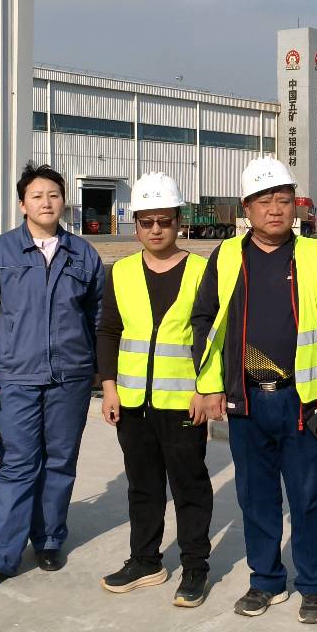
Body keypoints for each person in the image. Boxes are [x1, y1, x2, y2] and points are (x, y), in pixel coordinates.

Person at [190, 157, 317, 624]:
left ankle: (315, 585)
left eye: (283, 199)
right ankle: (265, 580)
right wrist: (210, 386)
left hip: (301, 399)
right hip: (244, 398)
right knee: (255, 496)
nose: (275, 209)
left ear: (295, 205)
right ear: (247, 208)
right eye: (264, 201)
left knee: (309, 495)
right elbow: (204, 320)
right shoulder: (225, 257)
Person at [0, 162, 104, 594]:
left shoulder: (83, 255)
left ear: (64, 202)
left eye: (54, 195)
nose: (46, 202)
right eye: (37, 196)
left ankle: (48, 539)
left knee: (59, 461)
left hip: (70, 377)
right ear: (23, 204)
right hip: (15, 376)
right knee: (17, 464)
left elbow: (99, 316)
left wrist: (99, 369)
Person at [96, 172, 213, 608]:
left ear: (179, 222)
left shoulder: (202, 271)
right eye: (147, 222)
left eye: (165, 220)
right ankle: (145, 560)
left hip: (183, 402)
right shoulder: (122, 272)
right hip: (132, 403)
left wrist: (205, 390)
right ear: (136, 225)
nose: (156, 229)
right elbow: (108, 331)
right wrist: (109, 388)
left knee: (189, 487)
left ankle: (196, 566)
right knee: (142, 486)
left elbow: (211, 338)